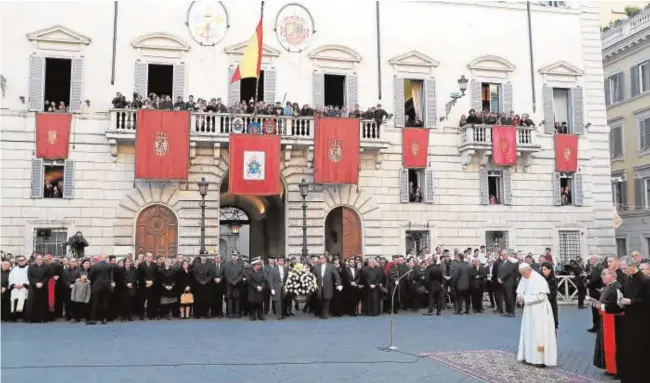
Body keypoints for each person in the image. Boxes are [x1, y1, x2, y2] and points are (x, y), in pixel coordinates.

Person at [516, 263, 557, 367]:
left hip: (540, 311)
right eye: (522, 274)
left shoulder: (539, 279)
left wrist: (525, 299)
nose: (523, 276)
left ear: (529, 270)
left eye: (524, 274)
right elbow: (520, 291)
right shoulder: (524, 278)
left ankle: (540, 360)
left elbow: (541, 297)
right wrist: (520, 298)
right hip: (528, 311)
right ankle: (529, 357)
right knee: (528, 333)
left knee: (539, 334)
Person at [617, 256, 650, 383]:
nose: (623, 271)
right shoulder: (627, 278)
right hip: (629, 319)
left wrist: (631, 301)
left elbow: (647, 302)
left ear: (632, 266)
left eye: (624, 268)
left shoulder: (645, 280)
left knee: (640, 351)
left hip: (642, 322)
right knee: (629, 351)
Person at [593, 268, 625, 378]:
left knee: (614, 346)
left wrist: (600, 306)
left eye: (604, 275)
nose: (602, 277)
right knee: (607, 346)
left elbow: (618, 306)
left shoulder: (616, 287)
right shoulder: (609, 287)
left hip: (614, 321)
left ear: (611, 275)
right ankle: (611, 368)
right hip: (606, 319)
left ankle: (617, 370)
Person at [88, 254, 114, 325]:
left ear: (99, 258)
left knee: (95, 303)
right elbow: (111, 276)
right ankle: (104, 319)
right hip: (106, 286)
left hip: (96, 286)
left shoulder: (95, 266)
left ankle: (93, 319)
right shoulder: (109, 266)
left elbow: (90, 276)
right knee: (105, 303)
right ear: (105, 259)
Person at [314, 254, 342, 319]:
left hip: (328, 286)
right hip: (319, 286)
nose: (321, 259)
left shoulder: (331, 266)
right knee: (320, 300)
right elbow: (313, 276)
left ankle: (325, 314)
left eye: (322, 258)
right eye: (320, 258)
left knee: (327, 300)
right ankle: (322, 313)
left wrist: (339, 284)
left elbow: (336, 276)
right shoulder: (316, 267)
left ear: (325, 259)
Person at [8, 256, 29, 321]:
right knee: (15, 302)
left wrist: (24, 285)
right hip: (15, 289)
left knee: (24, 301)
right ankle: (15, 317)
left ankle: (23, 317)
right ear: (18, 261)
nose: (21, 261)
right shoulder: (14, 269)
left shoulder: (29, 268)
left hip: (24, 288)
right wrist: (14, 285)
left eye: (22, 260)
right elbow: (10, 278)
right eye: (19, 260)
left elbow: (30, 277)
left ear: (25, 260)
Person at [540, 262, 559, 330]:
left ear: (550, 270)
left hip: (550, 305)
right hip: (542, 305)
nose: (543, 271)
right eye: (542, 269)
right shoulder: (540, 279)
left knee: (552, 326)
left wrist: (542, 299)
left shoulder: (553, 281)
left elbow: (553, 295)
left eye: (545, 269)